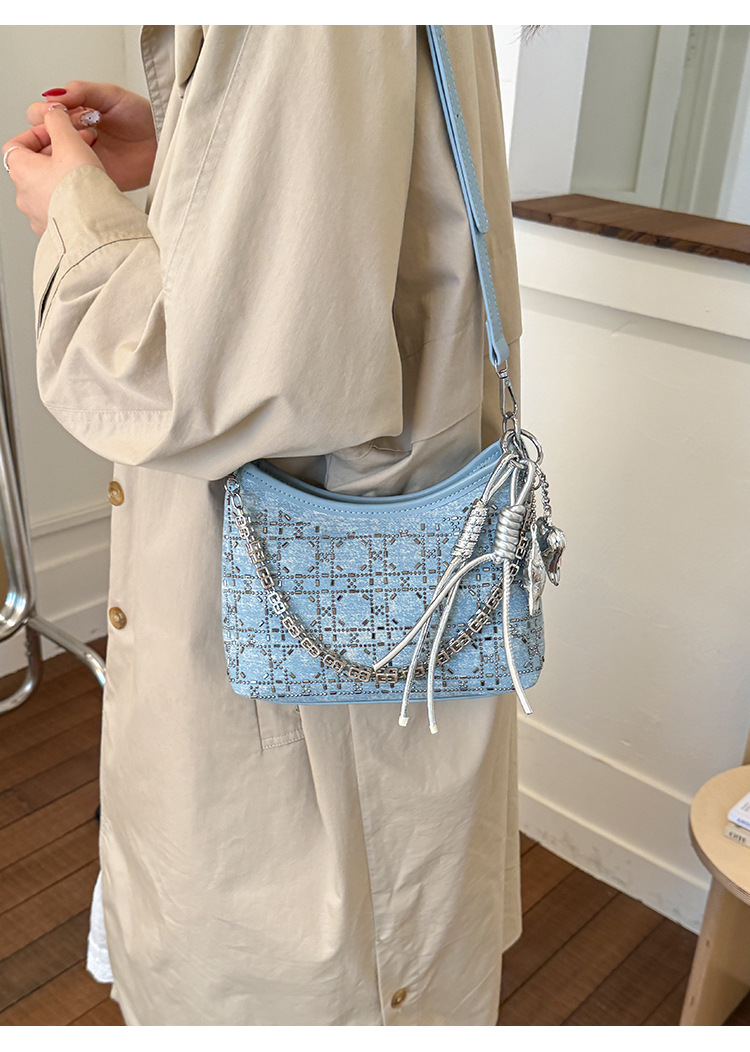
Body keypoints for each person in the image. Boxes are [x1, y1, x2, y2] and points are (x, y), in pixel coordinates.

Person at [4, 26, 524, 1026]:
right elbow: (358, 206)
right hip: (385, 586)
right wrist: (196, 144)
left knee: (300, 952)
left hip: (295, 663)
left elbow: (189, 376)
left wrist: (76, 214)